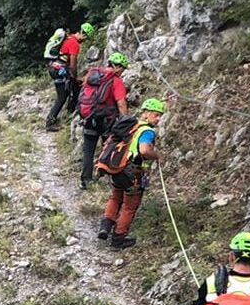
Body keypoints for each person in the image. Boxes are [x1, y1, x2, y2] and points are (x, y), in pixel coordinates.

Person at [97, 96, 162, 249]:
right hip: (132, 172)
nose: (158, 119)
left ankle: (105, 226)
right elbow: (144, 150)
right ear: (146, 113)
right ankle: (118, 240)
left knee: (115, 197)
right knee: (129, 206)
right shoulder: (147, 131)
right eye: (156, 114)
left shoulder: (131, 126)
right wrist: (157, 156)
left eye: (160, 115)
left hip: (117, 168)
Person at [78, 51, 130, 189]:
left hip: (89, 117)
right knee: (108, 148)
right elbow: (121, 103)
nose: (122, 72)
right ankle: (106, 178)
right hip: (106, 121)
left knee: (88, 150)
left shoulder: (92, 74)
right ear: (118, 67)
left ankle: (85, 180)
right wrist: (125, 121)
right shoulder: (116, 81)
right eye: (122, 69)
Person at [45, 23, 92, 129]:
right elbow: (73, 63)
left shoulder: (69, 38)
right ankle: (50, 122)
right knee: (62, 96)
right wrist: (75, 77)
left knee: (72, 88)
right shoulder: (74, 43)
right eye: (86, 38)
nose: (84, 41)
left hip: (54, 68)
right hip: (59, 70)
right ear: (84, 35)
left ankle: (70, 111)